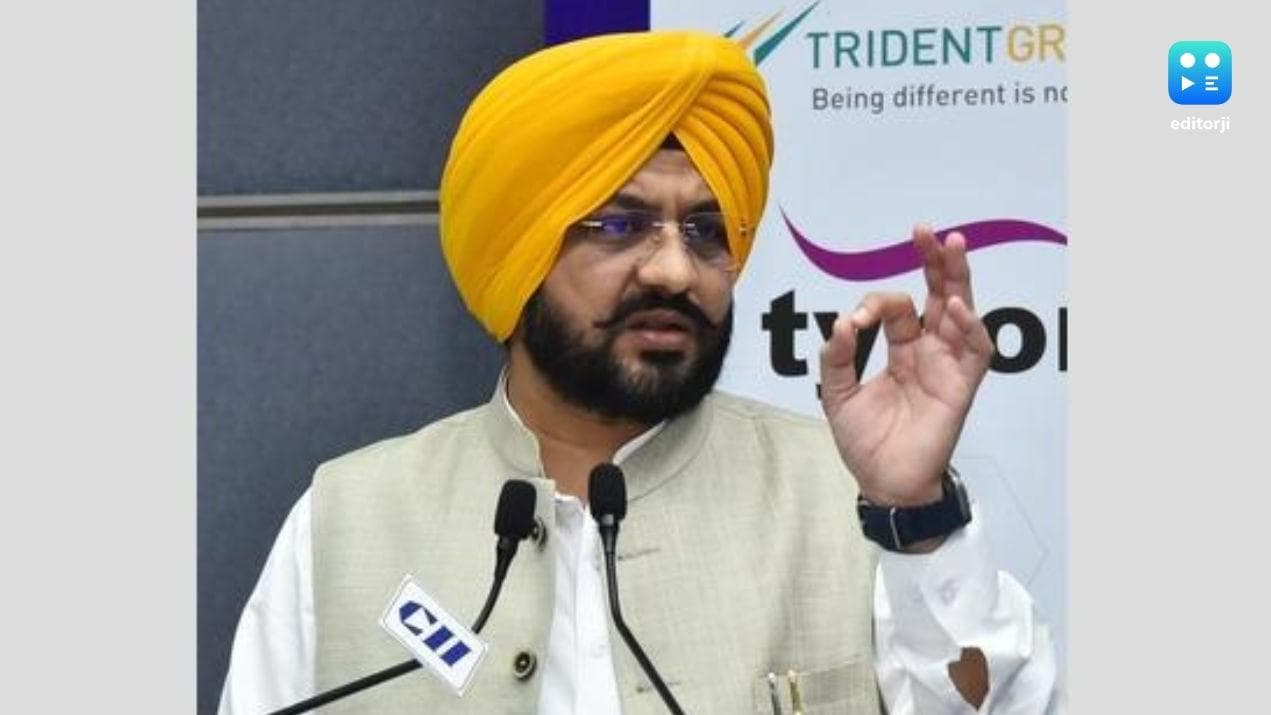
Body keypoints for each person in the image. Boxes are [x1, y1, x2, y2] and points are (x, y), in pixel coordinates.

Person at [218, 30, 1059, 714]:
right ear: (516, 254)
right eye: (619, 226)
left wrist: (915, 516)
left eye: (704, 232)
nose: (674, 270)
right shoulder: (347, 520)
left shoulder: (848, 498)